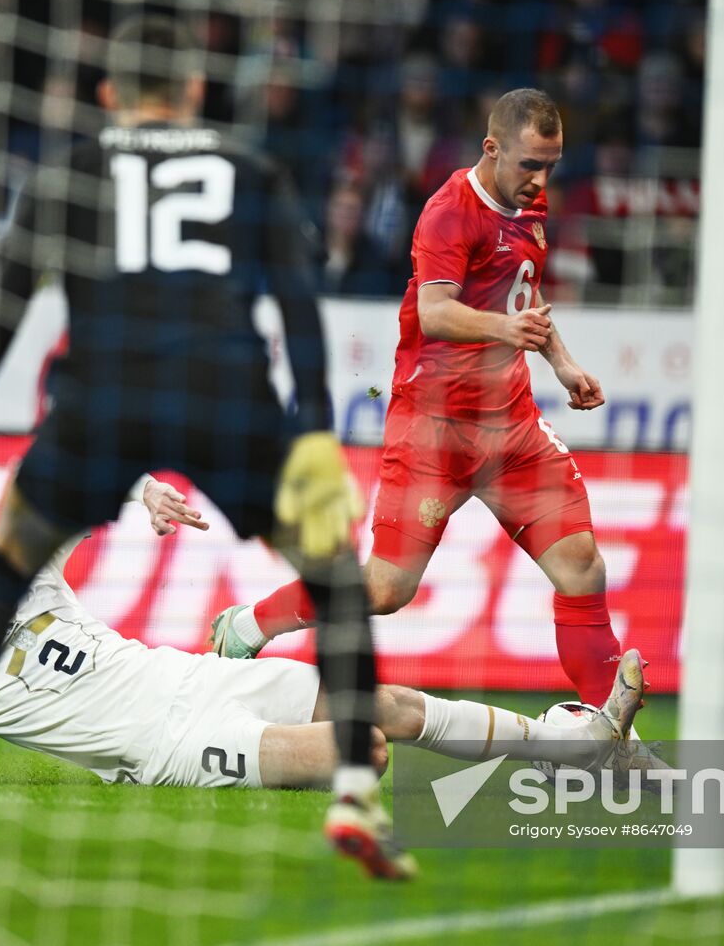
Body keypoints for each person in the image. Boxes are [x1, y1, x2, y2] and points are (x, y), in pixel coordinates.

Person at [0, 16, 402, 879]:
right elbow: (298, 312)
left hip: (99, 403)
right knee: (331, 569)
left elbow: (2, 316)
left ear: (109, 94)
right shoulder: (251, 172)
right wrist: (317, 434)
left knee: (1, 574)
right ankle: (356, 787)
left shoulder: (69, 174)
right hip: (225, 398)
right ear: (197, 91)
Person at [0, 517, 647, 791]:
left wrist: (144, 490)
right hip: (168, 745)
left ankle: (576, 745)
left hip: (198, 674)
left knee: (383, 701)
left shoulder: (38, 579)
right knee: (368, 750)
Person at [211, 88, 623, 706]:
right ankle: (249, 624)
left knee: (583, 568)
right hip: (435, 428)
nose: (541, 181)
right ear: (492, 148)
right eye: (530, 165)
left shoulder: (528, 206)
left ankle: (611, 730)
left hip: (510, 426)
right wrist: (506, 330)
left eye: (552, 165)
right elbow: (434, 312)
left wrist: (561, 363)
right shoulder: (449, 212)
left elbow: (522, 297)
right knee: (386, 590)